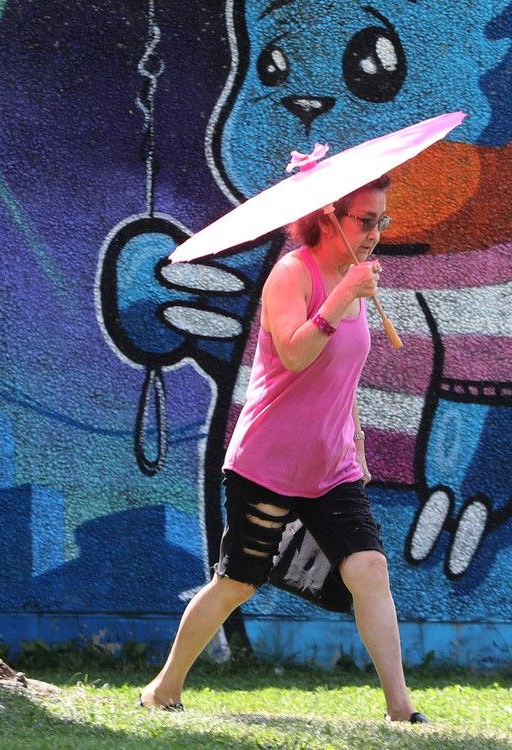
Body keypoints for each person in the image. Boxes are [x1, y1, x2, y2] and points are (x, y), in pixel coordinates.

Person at [139, 175, 428, 723]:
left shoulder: (355, 281)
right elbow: (296, 356)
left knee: (369, 569)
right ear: (328, 218)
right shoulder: (291, 275)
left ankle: (400, 707)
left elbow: (342, 378)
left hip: (332, 465)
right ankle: (164, 686)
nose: (375, 233)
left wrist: (358, 441)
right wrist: (342, 296)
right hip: (267, 464)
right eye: (365, 221)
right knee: (237, 582)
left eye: (381, 221)